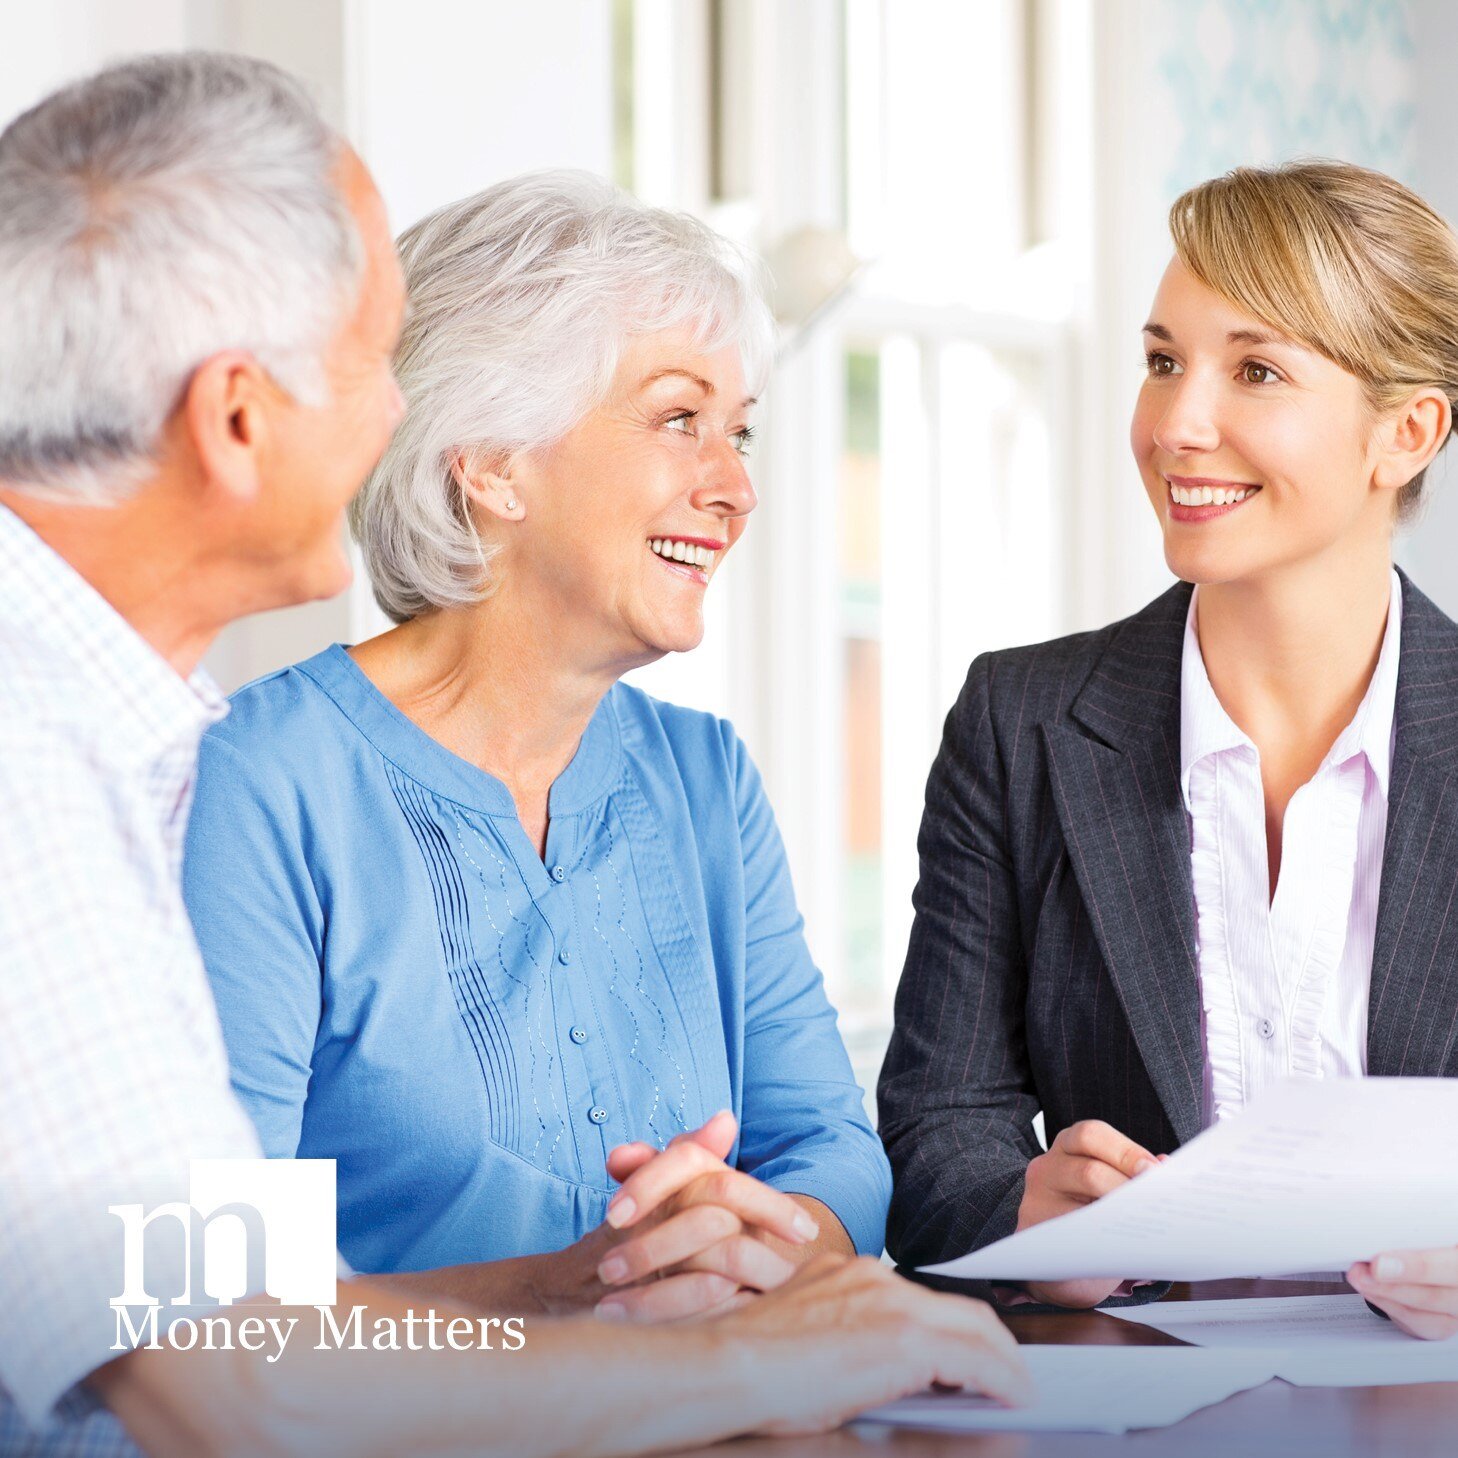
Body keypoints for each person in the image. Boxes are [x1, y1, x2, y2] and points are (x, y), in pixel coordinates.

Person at [0, 52, 1031, 1458]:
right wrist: (745, 1361)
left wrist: (582, 1292)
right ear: (238, 417)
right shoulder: (52, 770)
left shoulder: (99, 736)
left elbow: (219, 1323)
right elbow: (223, 1382)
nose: (391, 417)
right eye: (371, 361)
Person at [180, 172, 890, 1325]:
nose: (738, 487)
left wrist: (752, 1234)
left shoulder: (707, 781)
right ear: (492, 461)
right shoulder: (262, 783)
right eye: (678, 420)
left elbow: (834, 1149)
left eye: (739, 432)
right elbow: (215, 1296)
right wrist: (574, 1291)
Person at [880, 159, 1458, 1336]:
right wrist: (1027, 1215)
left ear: (1405, 431)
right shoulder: (1021, 721)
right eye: (1161, 362)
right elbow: (940, 1138)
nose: (1176, 425)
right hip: (1122, 1404)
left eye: (1254, 370)